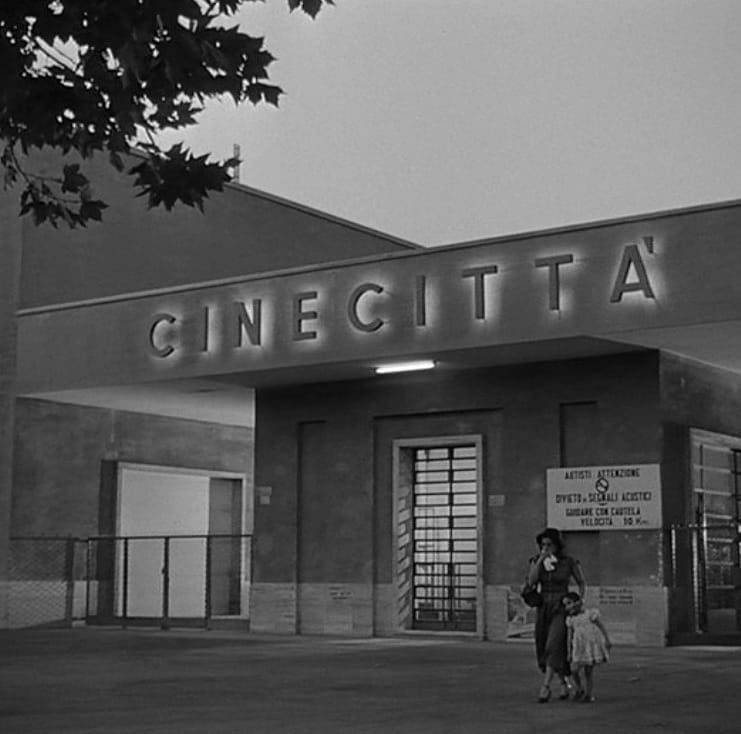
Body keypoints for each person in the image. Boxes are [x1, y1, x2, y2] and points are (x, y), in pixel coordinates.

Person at [526, 527, 585, 703]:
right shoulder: (537, 560)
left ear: (557, 544)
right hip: (544, 606)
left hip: (562, 606)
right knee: (544, 645)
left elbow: (581, 581)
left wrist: (579, 601)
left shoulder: (568, 562)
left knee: (554, 642)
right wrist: (540, 561)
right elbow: (531, 581)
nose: (546, 547)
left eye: (549, 544)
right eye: (543, 545)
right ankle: (563, 683)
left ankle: (545, 687)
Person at [563, 591, 612, 702]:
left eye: (569, 603)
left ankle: (589, 694)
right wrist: (569, 651)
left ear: (577, 602)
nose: (567, 607)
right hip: (578, 646)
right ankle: (579, 688)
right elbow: (569, 636)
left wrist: (607, 640)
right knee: (574, 669)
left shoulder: (590, 614)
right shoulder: (570, 619)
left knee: (588, 671)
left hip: (589, 645)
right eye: (565, 605)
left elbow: (601, 626)